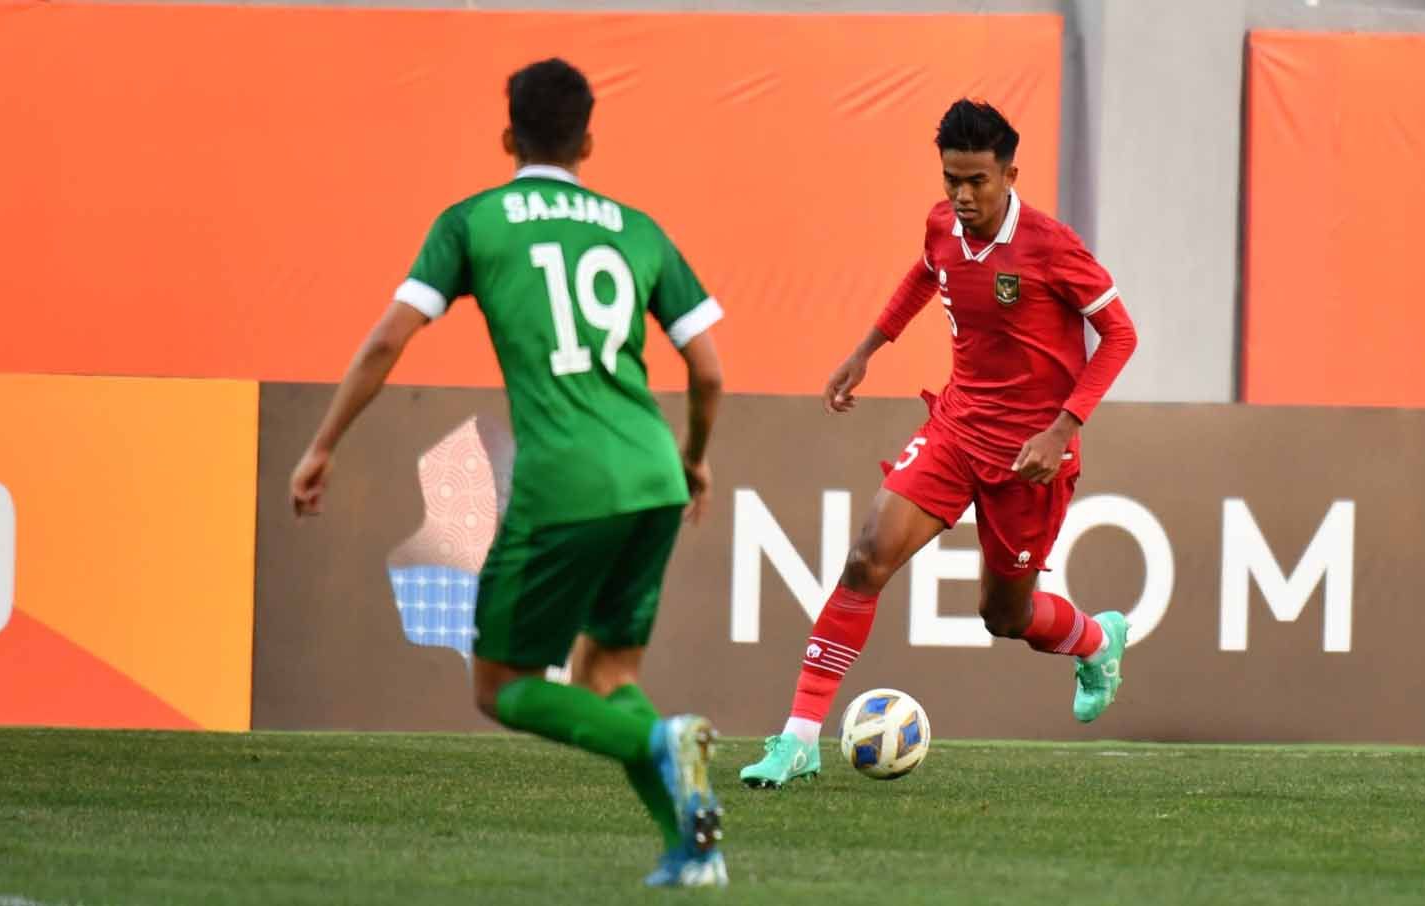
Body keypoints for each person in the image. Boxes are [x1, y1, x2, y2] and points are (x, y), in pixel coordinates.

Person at [288, 58, 730, 887]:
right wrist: (696, 456)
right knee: (607, 676)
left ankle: (658, 740)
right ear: (588, 139)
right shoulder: (637, 229)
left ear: (507, 136)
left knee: (501, 687)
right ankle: (693, 851)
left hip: (564, 484)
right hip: (653, 477)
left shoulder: (472, 223)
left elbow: (388, 340)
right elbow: (706, 370)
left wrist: (322, 445)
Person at [740, 99, 1139, 789]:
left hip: (1030, 457)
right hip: (956, 428)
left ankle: (1096, 640)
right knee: (867, 558)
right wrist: (869, 348)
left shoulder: (1052, 247)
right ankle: (798, 738)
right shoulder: (942, 224)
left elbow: (1122, 335)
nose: (961, 195)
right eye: (951, 178)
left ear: (1010, 174)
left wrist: (1062, 428)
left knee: (1003, 616)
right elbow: (928, 270)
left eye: (977, 180)